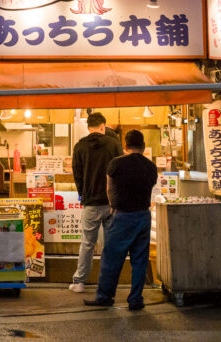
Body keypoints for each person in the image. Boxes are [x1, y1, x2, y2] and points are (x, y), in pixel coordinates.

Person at [83, 129, 158, 311]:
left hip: (122, 215)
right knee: (140, 260)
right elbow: (152, 187)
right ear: (143, 146)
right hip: (143, 215)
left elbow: (109, 188)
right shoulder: (150, 166)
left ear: (125, 145)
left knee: (111, 259)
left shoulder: (116, 164)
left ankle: (105, 296)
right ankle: (135, 299)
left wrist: (112, 206)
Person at [69, 111, 122, 293]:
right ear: (102, 126)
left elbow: (77, 175)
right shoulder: (114, 145)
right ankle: (108, 284)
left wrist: (83, 194)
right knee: (109, 244)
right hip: (110, 204)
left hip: (90, 203)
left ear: (88, 127)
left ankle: (79, 282)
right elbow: (120, 173)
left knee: (87, 243)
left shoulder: (79, 147)